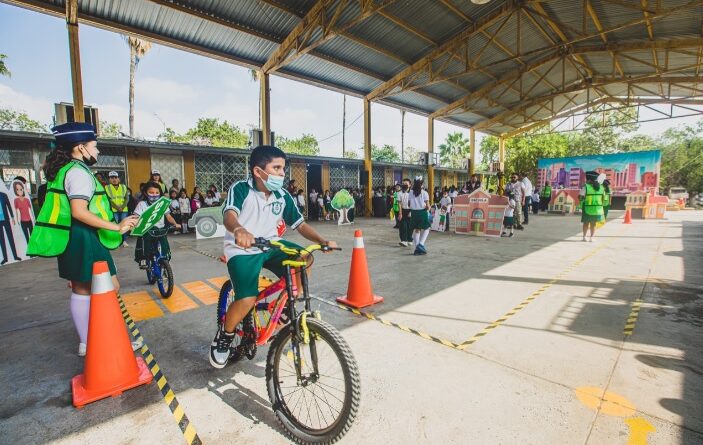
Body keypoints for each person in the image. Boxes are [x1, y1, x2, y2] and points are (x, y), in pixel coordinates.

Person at [210, 145, 337, 368]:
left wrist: (322, 240)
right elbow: (229, 215)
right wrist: (239, 230)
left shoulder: (282, 195)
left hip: (271, 244)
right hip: (243, 249)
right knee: (247, 299)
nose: (282, 173)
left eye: (283, 168)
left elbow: (300, 224)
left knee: (305, 258)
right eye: (276, 168)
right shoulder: (241, 189)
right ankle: (225, 335)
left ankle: (287, 305)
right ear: (258, 171)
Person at [27, 123, 139, 356]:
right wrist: (117, 226)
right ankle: (110, 342)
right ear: (80, 147)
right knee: (109, 287)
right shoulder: (79, 173)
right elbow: (79, 211)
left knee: (81, 289)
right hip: (85, 236)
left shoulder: (64, 170)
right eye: (94, 146)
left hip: (70, 237)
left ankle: (87, 343)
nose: (97, 151)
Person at [133, 181, 181, 268]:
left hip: (160, 230)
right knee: (144, 244)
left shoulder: (162, 204)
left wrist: (175, 224)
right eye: (151, 192)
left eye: (157, 192)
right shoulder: (142, 204)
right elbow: (135, 217)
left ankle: (165, 261)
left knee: (165, 248)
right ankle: (144, 259)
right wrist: (134, 224)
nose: (154, 195)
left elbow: (169, 217)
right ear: (145, 193)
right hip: (147, 231)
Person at [106, 171, 130, 247]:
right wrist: (117, 207)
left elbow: (127, 198)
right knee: (115, 226)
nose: (114, 179)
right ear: (109, 179)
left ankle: (124, 241)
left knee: (124, 226)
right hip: (113, 210)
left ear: (118, 179)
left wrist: (122, 207)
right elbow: (108, 199)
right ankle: (116, 241)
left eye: (115, 177)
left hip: (124, 210)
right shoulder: (107, 188)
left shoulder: (123, 187)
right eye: (112, 178)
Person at [580, 171, 605, 242]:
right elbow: (603, 198)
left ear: (589, 180)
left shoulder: (586, 187)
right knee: (593, 224)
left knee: (586, 223)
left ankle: (584, 237)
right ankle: (591, 238)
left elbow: (581, 197)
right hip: (597, 209)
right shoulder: (601, 187)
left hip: (587, 208)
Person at [409, 176, 430, 255]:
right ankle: (421, 244)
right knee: (427, 228)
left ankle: (417, 249)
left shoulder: (411, 192)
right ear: (422, 184)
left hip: (414, 213)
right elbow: (428, 206)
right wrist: (428, 208)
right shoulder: (424, 193)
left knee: (417, 230)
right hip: (422, 212)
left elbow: (409, 204)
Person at [0, 187, 21, 264]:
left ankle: (15, 256)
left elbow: (8, 205)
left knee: (10, 237)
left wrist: (12, 217)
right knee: (1, 240)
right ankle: (5, 258)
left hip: (6, 219)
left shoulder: (3, 195)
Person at [397, 178, 413, 247]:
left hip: (410, 210)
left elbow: (413, 202)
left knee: (410, 226)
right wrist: (400, 213)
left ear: (410, 185)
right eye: (403, 184)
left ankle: (410, 240)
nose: (404, 185)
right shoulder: (399, 193)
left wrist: (411, 211)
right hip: (403, 210)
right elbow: (399, 203)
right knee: (403, 226)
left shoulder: (412, 193)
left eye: (406, 184)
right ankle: (404, 240)